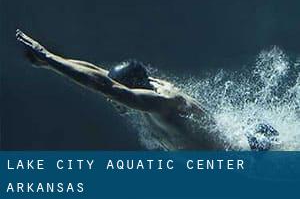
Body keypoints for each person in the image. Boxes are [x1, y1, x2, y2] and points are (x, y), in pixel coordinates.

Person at [15, 29, 277, 150]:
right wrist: (51, 62)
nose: (111, 100)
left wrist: (48, 58)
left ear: (132, 89)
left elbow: (105, 86)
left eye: (115, 95)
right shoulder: (146, 88)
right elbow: (99, 75)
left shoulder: (161, 103)